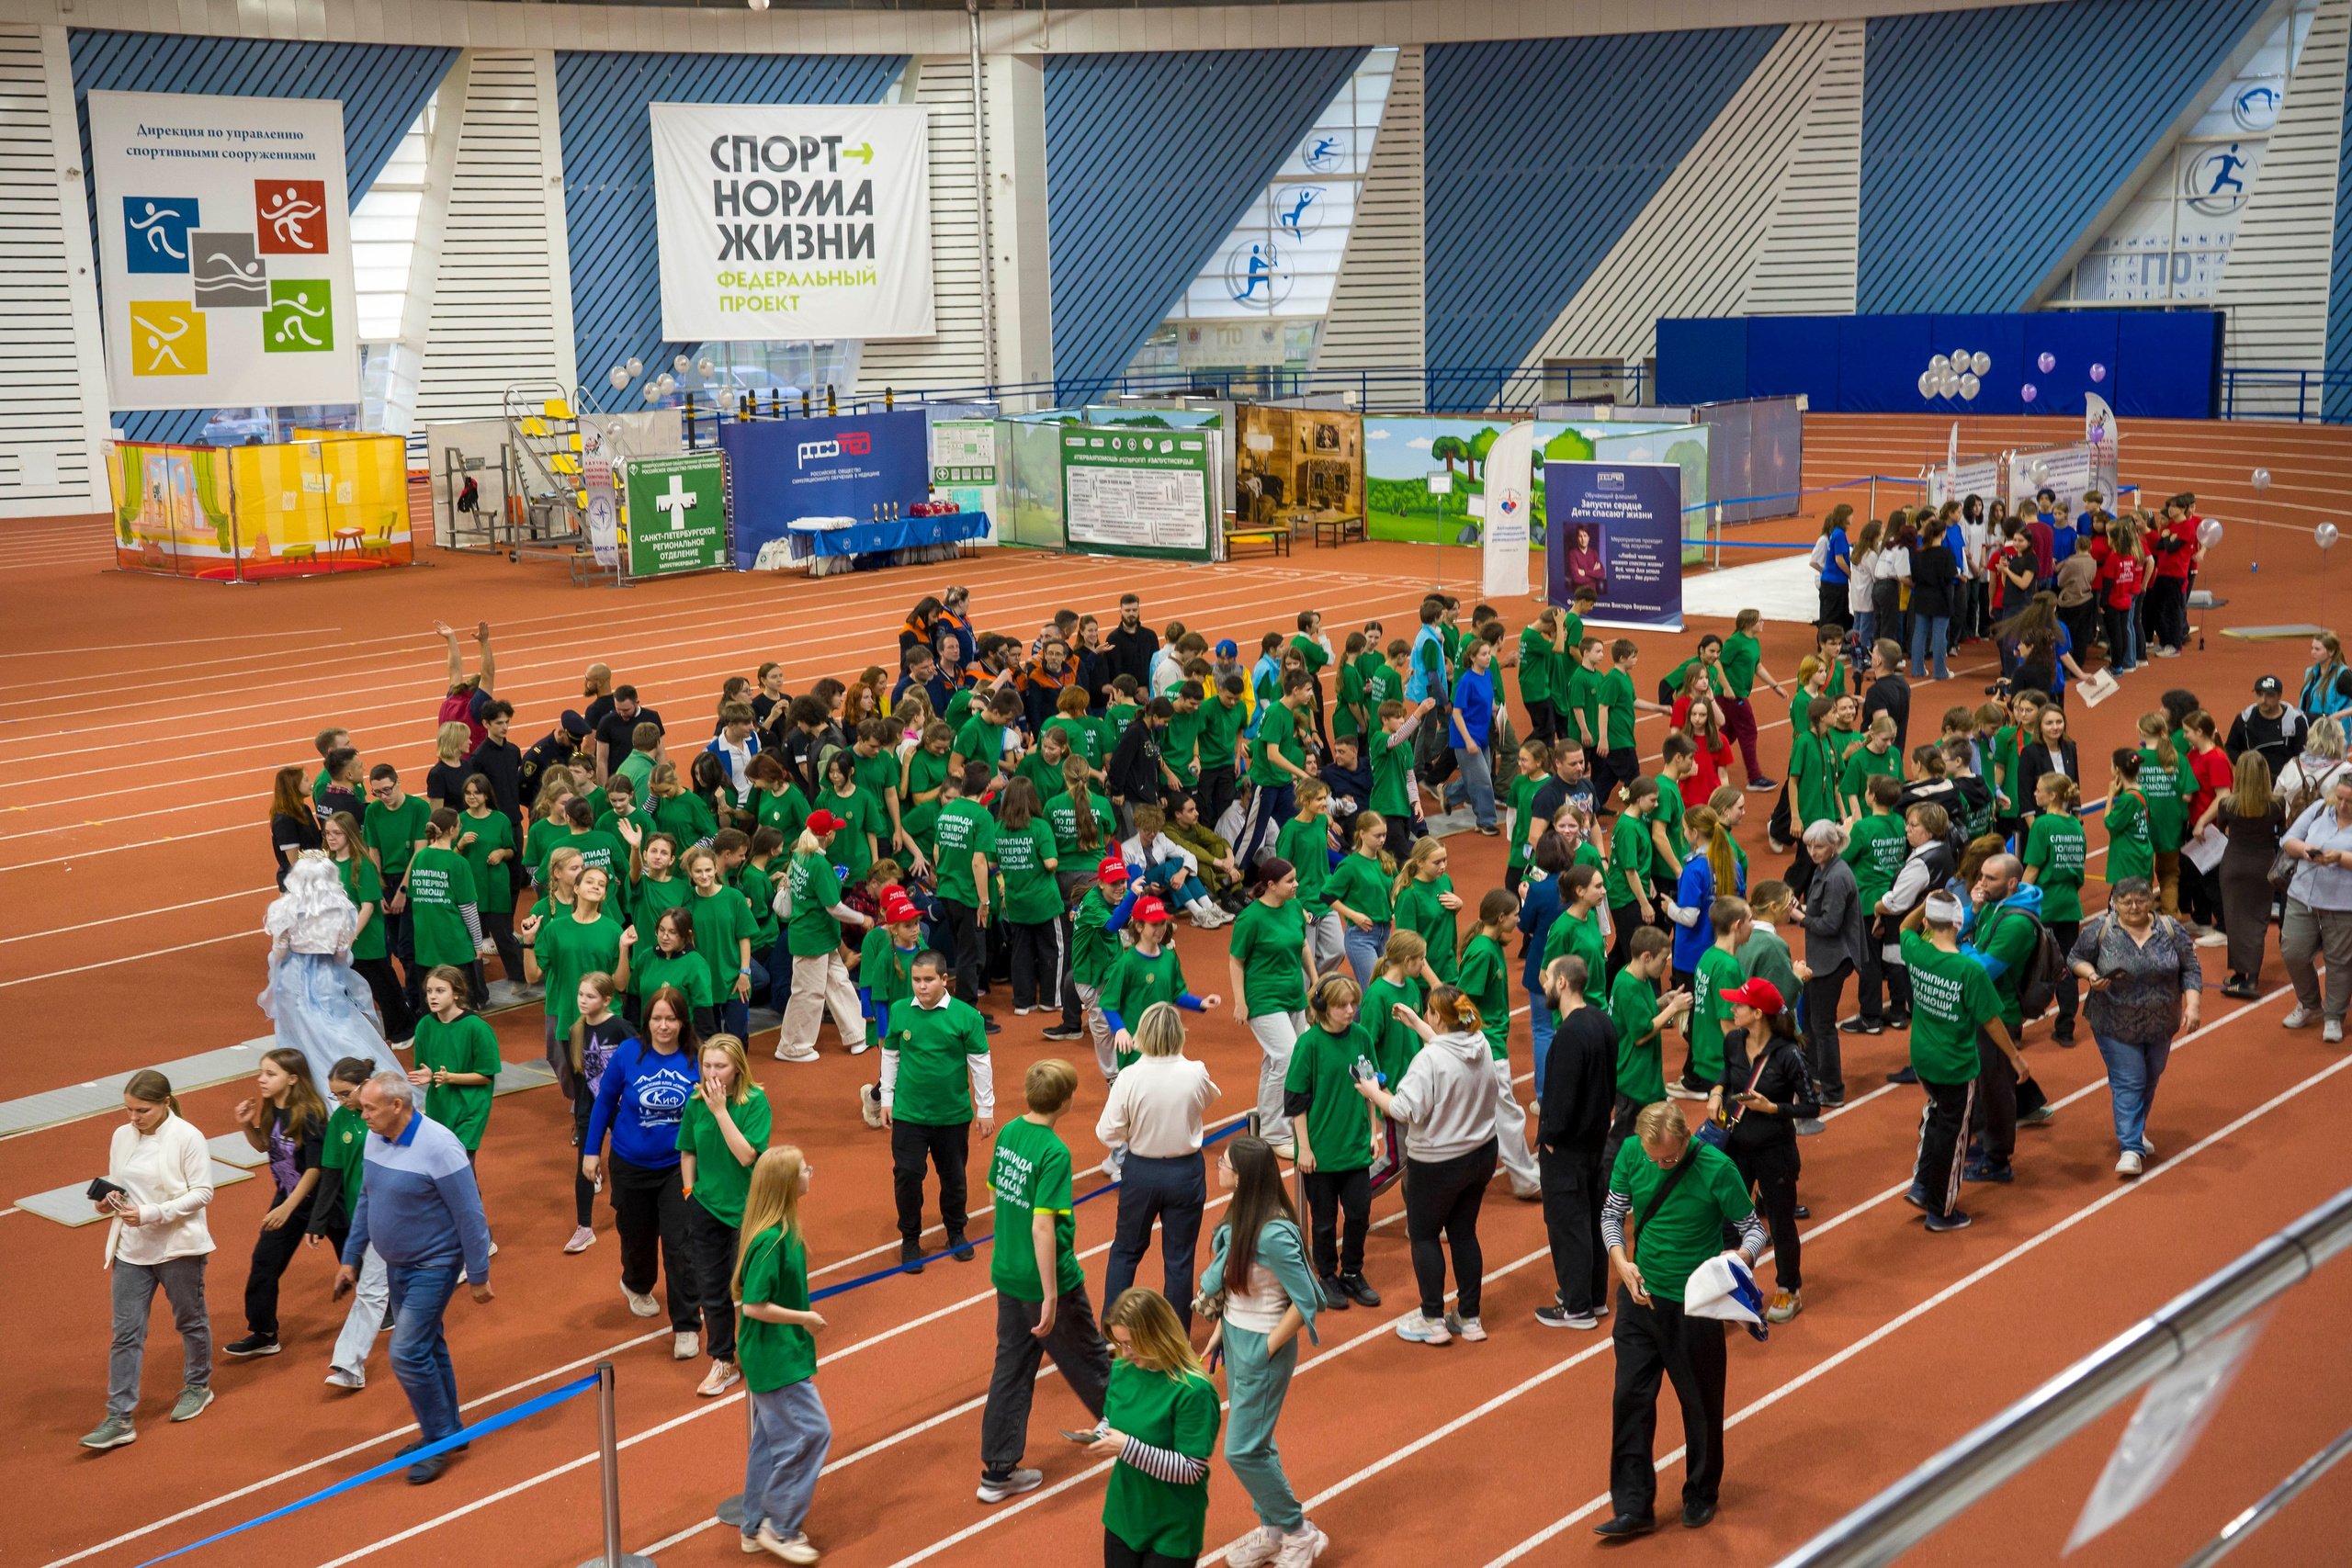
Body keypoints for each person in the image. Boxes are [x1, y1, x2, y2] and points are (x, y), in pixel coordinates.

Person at [1592, 1100, 1764, 1539]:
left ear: (1687, 1137)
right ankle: (1633, 1506)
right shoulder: (1632, 1152)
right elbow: (1612, 1213)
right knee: (1629, 1400)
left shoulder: (1717, 1168)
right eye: (1655, 1159)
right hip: (1640, 1300)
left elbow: (1755, 1229)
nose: (1661, 1166)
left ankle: (1701, 1493)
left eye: (1669, 1158)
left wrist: (1740, 1260)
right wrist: (1621, 1262)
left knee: (1701, 1407)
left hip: (1695, 1308)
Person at [335, 1071, 493, 1485]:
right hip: (397, 1265)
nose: (362, 1114)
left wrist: (478, 1274)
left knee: (406, 1352)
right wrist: (350, 1257)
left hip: (434, 1265)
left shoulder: (440, 1147)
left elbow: (470, 1214)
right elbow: (367, 1198)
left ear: (397, 1106)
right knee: (427, 1345)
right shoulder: (376, 1137)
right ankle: (449, 1429)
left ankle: (438, 1439)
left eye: (369, 1108)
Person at [979, 1059, 1114, 1504]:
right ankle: (1131, 1433)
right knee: (1089, 1356)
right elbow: (1042, 1226)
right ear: (1066, 1101)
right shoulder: (1055, 1152)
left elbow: (996, 1194)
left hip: (1007, 1272)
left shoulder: (1008, 1133)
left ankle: (997, 1472)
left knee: (1011, 1369)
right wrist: (1052, 1296)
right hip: (1045, 1280)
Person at [1196, 1135, 1327, 1567]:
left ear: (1242, 1176)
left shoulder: (1273, 1233)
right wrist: (1221, 1331)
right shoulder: (1241, 1213)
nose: (1218, 1166)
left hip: (1262, 1347)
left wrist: (1264, 1349)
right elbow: (1236, 1285)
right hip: (1236, 1338)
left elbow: (1307, 1300)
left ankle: (1298, 1531)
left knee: (1241, 1450)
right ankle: (1273, 1530)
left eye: (1224, 1162)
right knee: (1258, 1443)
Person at [1352, 987, 1499, 1347]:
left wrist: (1371, 1091)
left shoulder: (1427, 1060)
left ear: (1437, 1016)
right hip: (1481, 1153)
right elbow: (1450, 1051)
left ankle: (1433, 1320)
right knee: (1464, 1234)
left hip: (1438, 1163)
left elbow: (1403, 1110)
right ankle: (1470, 1318)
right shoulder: (1480, 1042)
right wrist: (1419, 1025)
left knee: (1424, 1235)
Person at [84, 1070, 216, 1450]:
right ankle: (119, 1417)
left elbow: (203, 1193)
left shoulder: (188, 1137)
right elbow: (120, 1184)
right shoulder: (122, 1135)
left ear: (165, 1103)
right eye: (128, 1109)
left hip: (178, 1248)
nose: (134, 1117)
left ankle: (198, 1385)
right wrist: (106, 1202)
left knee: (189, 1320)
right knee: (126, 1333)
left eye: (142, 1110)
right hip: (131, 1250)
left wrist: (151, 1213)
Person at [583, 987, 702, 1356]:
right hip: (630, 1164)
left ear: (683, 1022)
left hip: (678, 1167)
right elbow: (604, 1101)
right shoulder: (627, 1053)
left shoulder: (697, 1057)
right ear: (647, 1021)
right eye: (657, 1018)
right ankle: (636, 1284)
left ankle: (687, 1325)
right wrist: (591, 1151)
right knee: (637, 1238)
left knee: (681, 1245)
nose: (663, 1026)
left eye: (671, 1019)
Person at [1900, 893, 2027, 1233]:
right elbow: (1991, 1021)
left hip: (1922, 1059)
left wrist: (1924, 905)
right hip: (1954, 1066)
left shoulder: (1916, 950)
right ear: (1959, 923)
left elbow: (1904, 928)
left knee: (1936, 1117)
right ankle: (1940, 1211)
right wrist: (2015, 1057)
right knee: (1954, 1136)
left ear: (1927, 922)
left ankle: (1922, 1185)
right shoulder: (1969, 970)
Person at [732, 1145, 830, 1563]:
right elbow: (754, 1305)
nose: (810, 1173)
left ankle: (754, 1526)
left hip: (777, 1350)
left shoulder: (783, 1230)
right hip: (775, 1356)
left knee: (770, 1442)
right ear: (787, 1184)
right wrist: (804, 1318)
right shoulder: (771, 1240)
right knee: (812, 1432)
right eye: (804, 1170)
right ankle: (781, 1526)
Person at [1097, 1001, 1219, 1323]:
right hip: (1186, 1172)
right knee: (1180, 1260)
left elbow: (1107, 1133)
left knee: (1125, 1251)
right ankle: (1176, 1339)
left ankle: (1112, 1332)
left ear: (1142, 1033)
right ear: (1179, 1033)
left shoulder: (1129, 1076)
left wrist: (1134, 1129)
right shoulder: (1196, 1071)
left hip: (1142, 1171)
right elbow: (1206, 1100)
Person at [2070, 878, 2200, 1179]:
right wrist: (2091, 975)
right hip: (2114, 1020)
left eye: (2140, 900)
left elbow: (2191, 967)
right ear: (2114, 903)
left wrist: (2193, 1005)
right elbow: (2075, 957)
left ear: (2150, 901)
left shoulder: (2169, 929)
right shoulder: (2101, 929)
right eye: (2125, 901)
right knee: (2130, 1080)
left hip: (2161, 1021)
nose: (2133, 907)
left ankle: (2136, 1130)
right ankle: (2130, 1148)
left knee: (2150, 1078)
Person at [1091, 1287, 1222, 1568]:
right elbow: (1112, 1419)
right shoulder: (1123, 1369)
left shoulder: (1193, 1390)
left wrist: (1126, 1447)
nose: (1126, 1352)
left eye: (1131, 1343)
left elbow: (1191, 1468)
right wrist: (1100, 1434)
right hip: (1124, 1515)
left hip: (1173, 1525)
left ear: (1157, 1334)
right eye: (1120, 1344)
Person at [880, 952, 993, 1272]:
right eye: (916, 980)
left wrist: (985, 1108)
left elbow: (981, 1064)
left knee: (954, 1177)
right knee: (907, 1176)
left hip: (952, 1115)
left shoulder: (966, 1016)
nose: (921, 986)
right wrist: (886, 1098)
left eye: (928, 980)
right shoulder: (900, 1011)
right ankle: (910, 1239)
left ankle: (956, 1231)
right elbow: (890, 1055)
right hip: (909, 1114)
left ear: (944, 979)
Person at [1712, 977, 1815, 1323]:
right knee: (1728, 1221)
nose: (1732, 1009)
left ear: (1757, 1014)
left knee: (1781, 1223)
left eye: (1739, 1005)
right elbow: (1727, 1073)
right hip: (1736, 1149)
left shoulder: (1789, 1055)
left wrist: (1773, 1108)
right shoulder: (1734, 1040)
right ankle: (1733, 1288)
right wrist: (1716, 1092)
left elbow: (1812, 1105)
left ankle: (1789, 1290)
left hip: (1774, 1152)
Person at [220, 1047, 332, 1359]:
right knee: (264, 1263)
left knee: (354, 1256)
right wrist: (247, 1124)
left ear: (293, 1079)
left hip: (323, 1201)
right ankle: (264, 1334)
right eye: (261, 1072)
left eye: (270, 1074)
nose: (261, 1079)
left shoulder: (309, 1113)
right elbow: (263, 1146)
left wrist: (287, 1207)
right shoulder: (272, 1109)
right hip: (288, 1197)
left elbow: (315, 1168)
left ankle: (388, 1305)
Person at [677, 1033, 770, 1397]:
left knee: (753, 1289)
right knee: (712, 1290)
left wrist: (720, 1111)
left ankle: (761, 1353)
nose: (711, 1073)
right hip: (706, 1208)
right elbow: (688, 1150)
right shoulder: (695, 1102)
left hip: (749, 1213)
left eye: (720, 1066)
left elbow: (746, 1155)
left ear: (737, 1069)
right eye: (707, 1065)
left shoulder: (756, 1103)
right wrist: (689, 1193)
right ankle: (723, 1360)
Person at [1282, 975, 1382, 1310]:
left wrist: (1373, 1131)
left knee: (1359, 1214)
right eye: (1342, 1005)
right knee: (1324, 1222)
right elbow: (1296, 1101)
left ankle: (1352, 1272)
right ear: (1323, 1007)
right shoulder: (1309, 1045)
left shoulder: (1362, 1037)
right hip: (1321, 1152)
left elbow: (1371, 1087)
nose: (1351, 1010)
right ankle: (1327, 1274)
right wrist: (1305, 1148)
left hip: (1355, 1147)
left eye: (1353, 1004)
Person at [1533, 955, 1618, 1329]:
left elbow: (1561, 1097)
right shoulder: (1602, 1020)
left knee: (1568, 1224)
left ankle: (1577, 1307)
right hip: (1596, 1142)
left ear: (1563, 983)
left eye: (1548, 978)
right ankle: (1593, 1297)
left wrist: (1550, 1139)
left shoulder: (1569, 1034)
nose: (1544, 984)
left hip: (1567, 1149)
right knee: (1592, 1219)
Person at [261, 852, 389, 1098]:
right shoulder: (341, 908)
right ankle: (351, 1080)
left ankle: (302, 1089)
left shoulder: (284, 908)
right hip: (325, 977)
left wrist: (277, 970)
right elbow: (342, 955)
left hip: (294, 978)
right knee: (336, 1029)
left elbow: (279, 952)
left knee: (297, 1033)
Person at [1227, 859, 1314, 1151]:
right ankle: (1276, 1133)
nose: (1296, 884)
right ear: (1271, 885)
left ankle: (1267, 1120)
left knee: (1277, 1059)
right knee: (1287, 1057)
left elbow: (1303, 945)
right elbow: (1236, 961)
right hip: (1263, 998)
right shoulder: (1250, 918)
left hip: (1294, 995)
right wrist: (1240, 1002)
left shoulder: (1294, 906)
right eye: (1290, 880)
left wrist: (1315, 980)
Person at [775, 811, 873, 1063]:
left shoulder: (800, 855)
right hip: (812, 938)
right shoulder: (819, 864)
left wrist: (832, 878)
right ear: (828, 834)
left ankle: (857, 1033)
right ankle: (792, 1047)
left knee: (839, 982)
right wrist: (863, 919)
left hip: (819, 936)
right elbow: (834, 908)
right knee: (807, 993)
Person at [2196, 750, 2285, 999]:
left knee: (2235, 921)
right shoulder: (2277, 804)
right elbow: (2282, 831)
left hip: (2234, 864)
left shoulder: (2227, 804)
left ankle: (2241, 975)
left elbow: (2222, 828)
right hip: (2263, 866)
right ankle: (2249, 979)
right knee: (2257, 921)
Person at [2279, 771, 2352, 1043]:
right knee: (2293, 952)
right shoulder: (2320, 808)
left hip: (2343, 904)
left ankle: (2334, 1016)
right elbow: (2287, 840)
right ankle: (2310, 1004)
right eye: (2340, 798)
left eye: (2349, 802)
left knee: (2339, 962)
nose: (2342, 805)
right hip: (2302, 897)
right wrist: (2305, 850)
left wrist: (2340, 857)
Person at [270, 765, 322, 888]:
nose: (311, 783)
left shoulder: (304, 809)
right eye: (306, 780)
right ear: (293, 786)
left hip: (311, 877)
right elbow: (294, 862)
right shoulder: (284, 820)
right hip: (297, 885)